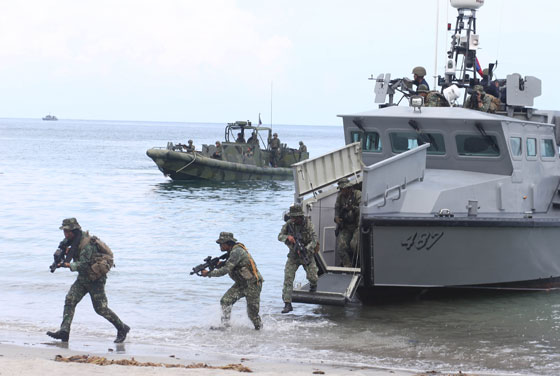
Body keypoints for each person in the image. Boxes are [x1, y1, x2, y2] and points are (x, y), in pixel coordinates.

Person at [47, 218, 130, 343]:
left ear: (74, 231)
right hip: (83, 279)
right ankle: (64, 332)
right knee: (70, 300)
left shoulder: (86, 244)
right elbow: (63, 246)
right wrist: (59, 258)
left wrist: (68, 265)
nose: (65, 234)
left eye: (67, 231)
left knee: (101, 309)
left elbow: (85, 264)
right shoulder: (71, 239)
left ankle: (122, 328)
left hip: (95, 279)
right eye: (64, 231)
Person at [201, 232, 263, 330]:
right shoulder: (231, 252)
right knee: (225, 301)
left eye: (221, 244)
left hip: (253, 284)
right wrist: (220, 264)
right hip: (241, 284)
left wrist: (208, 273)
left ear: (228, 243)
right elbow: (230, 265)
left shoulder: (237, 251)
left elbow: (225, 270)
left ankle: (260, 330)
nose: (220, 246)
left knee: (252, 314)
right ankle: (225, 326)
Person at [278, 205, 319, 314]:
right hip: (293, 256)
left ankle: (313, 285)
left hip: (306, 254)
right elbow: (279, 236)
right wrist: (288, 238)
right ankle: (287, 303)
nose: (293, 220)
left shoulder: (309, 225)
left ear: (300, 217)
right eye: (292, 217)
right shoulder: (289, 224)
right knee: (288, 278)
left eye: (295, 218)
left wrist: (306, 249)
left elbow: (314, 240)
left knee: (313, 277)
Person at [334, 178, 362, 267]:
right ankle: (347, 266)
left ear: (349, 188)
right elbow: (337, 209)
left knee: (355, 245)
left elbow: (362, 209)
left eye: (344, 189)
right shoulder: (340, 197)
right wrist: (336, 218)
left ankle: (360, 265)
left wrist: (353, 208)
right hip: (346, 226)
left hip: (357, 225)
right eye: (341, 189)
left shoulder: (358, 194)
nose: (342, 191)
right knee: (341, 247)